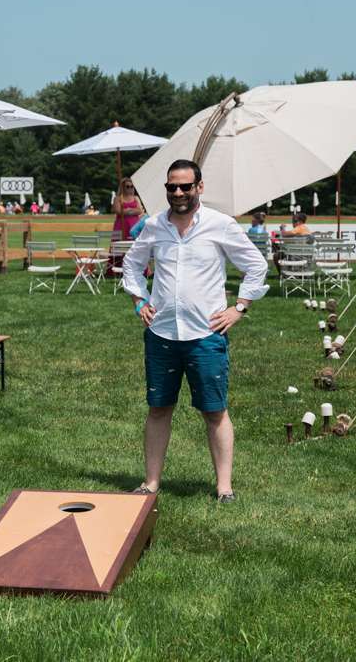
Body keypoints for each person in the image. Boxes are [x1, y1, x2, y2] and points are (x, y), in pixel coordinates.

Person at [122, 159, 268, 503]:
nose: (178, 192)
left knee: (214, 410)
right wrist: (139, 300)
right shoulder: (155, 225)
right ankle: (151, 483)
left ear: (199, 187)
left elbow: (256, 265)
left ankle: (224, 488)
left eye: (185, 186)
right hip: (161, 334)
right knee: (158, 408)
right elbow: (132, 263)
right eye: (172, 187)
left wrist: (240, 308)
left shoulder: (221, 225)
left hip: (205, 335)